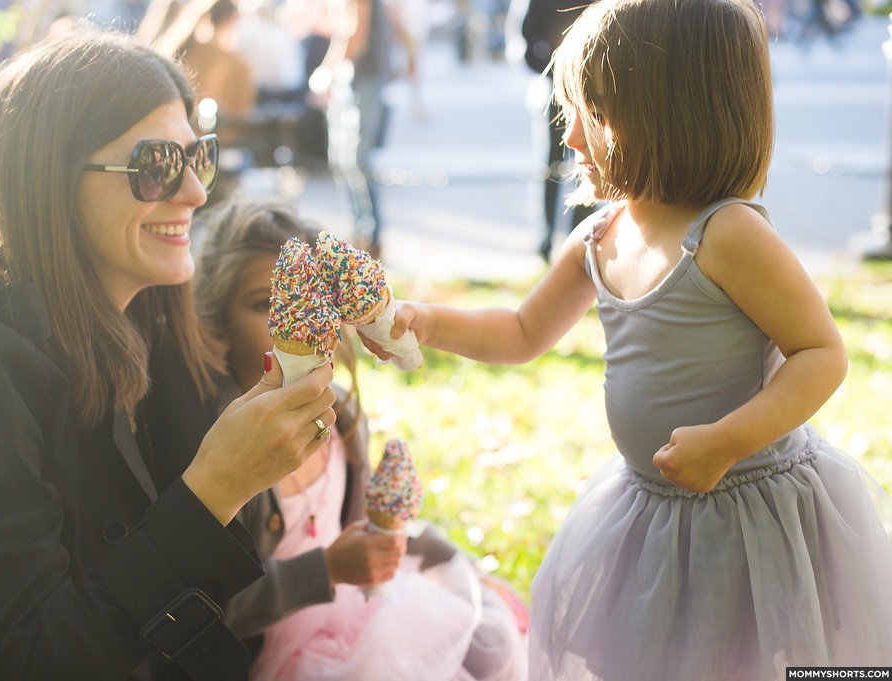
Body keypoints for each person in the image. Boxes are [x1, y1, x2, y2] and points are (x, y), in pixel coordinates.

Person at [366, 0, 892, 677]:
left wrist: (728, 439)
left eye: (596, 113)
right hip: (652, 511)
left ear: (671, 115)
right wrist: (433, 322)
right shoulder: (600, 236)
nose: (573, 137)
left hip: (749, 506)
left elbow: (822, 353)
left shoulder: (728, 235)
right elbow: (524, 330)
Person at [0, 29, 338, 681]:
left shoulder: (149, 302)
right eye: (154, 165)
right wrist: (214, 487)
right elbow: (35, 656)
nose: (196, 194)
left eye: (196, 156)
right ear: (52, 179)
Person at [192, 197, 529, 681]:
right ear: (218, 327)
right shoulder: (225, 446)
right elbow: (217, 607)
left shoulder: (344, 417)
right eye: (264, 304)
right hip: (278, 653)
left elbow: (358, 540)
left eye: (311, 300)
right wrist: (325, 568)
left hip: (357, 622)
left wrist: (376, 553)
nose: (293, 318)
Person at [311, 0, 396, 258]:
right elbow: (342, 29)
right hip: (355, 77)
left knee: (355, 158)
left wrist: (327, 72)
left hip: (364, 77)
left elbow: (356, 33)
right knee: (343, 158)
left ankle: (369, 235)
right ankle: (361, 233)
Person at [520, 0, 594, 262]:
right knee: (551, 163)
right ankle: (547, 234)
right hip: (553, 89)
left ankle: (580, 236)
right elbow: (527, 42)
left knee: (587, 164)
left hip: (592, 88)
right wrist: (556, 71)